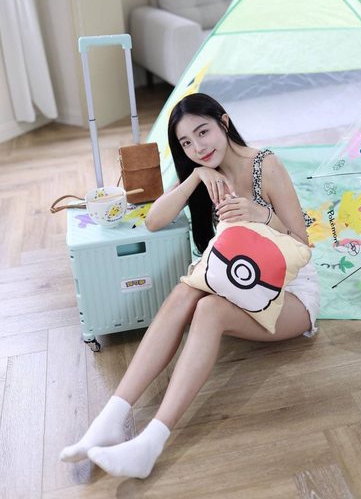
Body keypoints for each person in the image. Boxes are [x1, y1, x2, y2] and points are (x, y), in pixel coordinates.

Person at [60, 92, 320, 479]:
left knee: (209, 309)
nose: (198, 147)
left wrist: (260, 214)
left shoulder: (265, 164)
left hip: (289, 293)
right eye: (186, 142)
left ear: (224, 123)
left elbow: (302, 243)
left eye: (203, 132)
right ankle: (111, 418)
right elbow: (153, 221)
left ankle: (151, 443)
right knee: (187, 291)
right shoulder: (204, 172)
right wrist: (196, 176)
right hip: (237, 284)